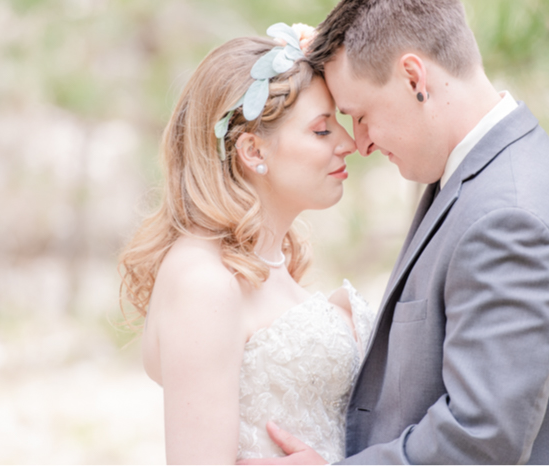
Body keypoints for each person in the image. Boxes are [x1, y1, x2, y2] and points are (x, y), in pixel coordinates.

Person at [245, 0, 549, 465]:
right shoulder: (496, 175)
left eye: (361, 114)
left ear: (414, 78)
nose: (362, 142)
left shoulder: (510, 219)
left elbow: (481, 440)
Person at [119, 23, 371, 463]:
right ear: (253, 152)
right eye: (322, 130)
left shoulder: (264, 265)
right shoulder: (203, 280)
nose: (348, 143)